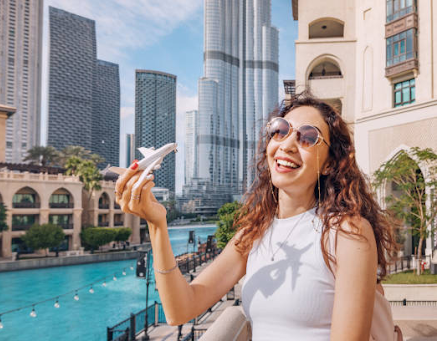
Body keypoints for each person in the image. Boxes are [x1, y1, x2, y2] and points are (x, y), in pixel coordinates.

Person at [115, 92, 398, 340]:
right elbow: (180, 309)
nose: (287, 144)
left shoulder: (348, 232)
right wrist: (157, 224)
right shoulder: (254, 233)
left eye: (308, 137)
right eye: (280, 130)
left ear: (329, 164)